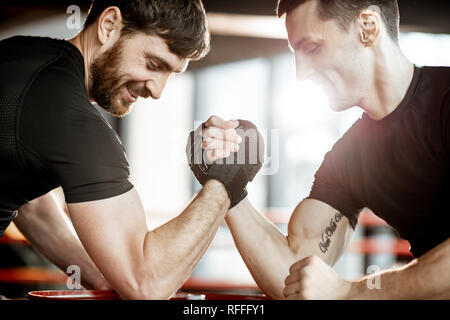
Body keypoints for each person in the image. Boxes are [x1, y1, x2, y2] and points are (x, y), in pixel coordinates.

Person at [0, 0, 262, 299]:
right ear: (109, 25)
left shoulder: (20, 55)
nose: (158, 91)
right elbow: (146, 286)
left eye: (172, 74)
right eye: (154, 64)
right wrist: (226, 179)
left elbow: (30, 203)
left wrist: (102, 276)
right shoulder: (73, 122)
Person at [190, 0, 450, 299]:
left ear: (368, 27)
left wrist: (353, 293)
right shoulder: (351, 156)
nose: (301, 73)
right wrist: (229, 185)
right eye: (295, 54)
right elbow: (293, 274)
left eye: (312, 48)